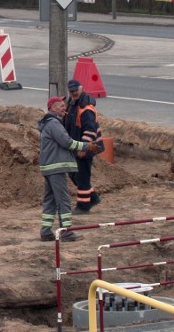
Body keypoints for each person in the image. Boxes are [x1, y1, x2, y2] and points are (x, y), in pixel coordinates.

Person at [39, 96, 99, 242]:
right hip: (56, 167)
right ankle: (66, 232)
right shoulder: (54, 124)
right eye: (60, 105)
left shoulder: (49, 123)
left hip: (49, 167)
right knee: (63, 200)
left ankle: (46, 231)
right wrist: (87, 146)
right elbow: (67, 142)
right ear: (52, 107)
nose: (64, 108)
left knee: (50, 200)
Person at [64, 79, 103, 214]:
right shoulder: (72, 104)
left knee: (82, 176)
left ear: (81, 89)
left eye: (76, 90)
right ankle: (93, 198)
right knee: (75, 175)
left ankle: (83, 206)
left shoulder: (85, 108)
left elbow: (90, 130)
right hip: (78, 145)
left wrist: (84, 148)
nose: (74, 93)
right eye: (71, 91)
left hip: (87, 146)